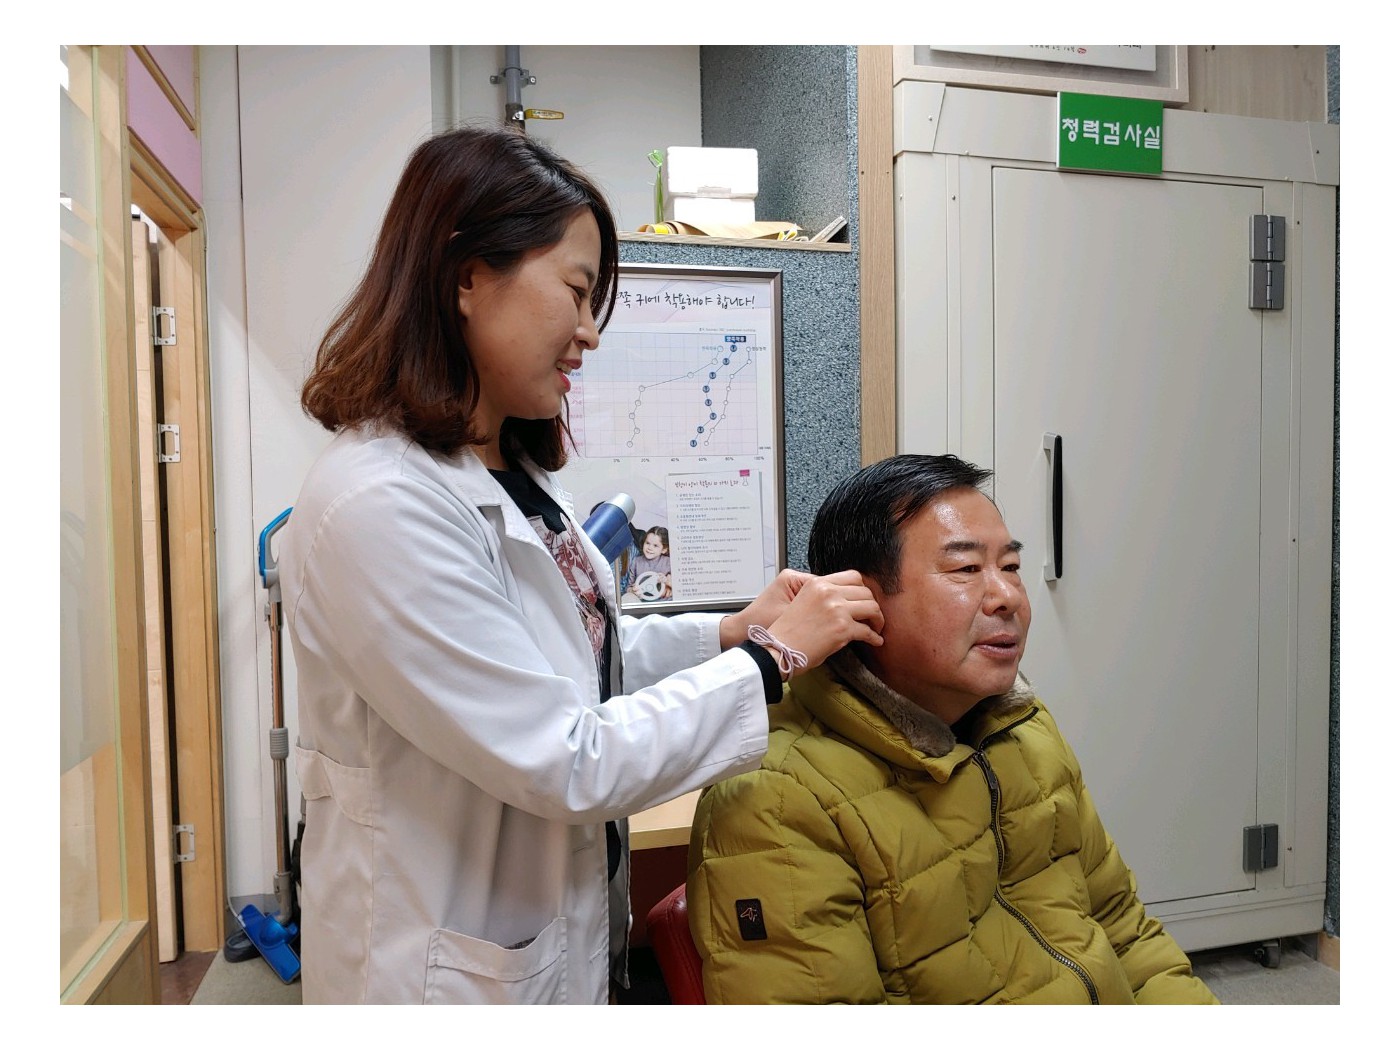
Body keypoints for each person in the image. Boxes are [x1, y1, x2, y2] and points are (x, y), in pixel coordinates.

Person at [281, 125, 884, 1004]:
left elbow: (570, 658)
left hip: (551, 938)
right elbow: (567, 758)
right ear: (466, 275)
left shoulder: (511, 475)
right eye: (575, 291)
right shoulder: (378, 503)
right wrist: (771, 660)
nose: (590, 334)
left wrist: (728, 633)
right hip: (438, 976)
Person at [687, 454, 1218, 1004]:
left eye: (1010, 566)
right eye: (966, 570)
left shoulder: (1024, 727)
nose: (1008, 596)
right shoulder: (778, 800)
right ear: (857, 602)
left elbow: (1123, 928)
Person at [623, 525, 671, 602]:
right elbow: (628, 587)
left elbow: (679, 586)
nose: (650, 548)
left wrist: (666, 581)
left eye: (655, 546)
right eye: (647, 543)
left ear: (664, 550)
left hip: (664, 601)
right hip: (642, 602)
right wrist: (632, 590)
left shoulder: (668, 562)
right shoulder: (636, 561)